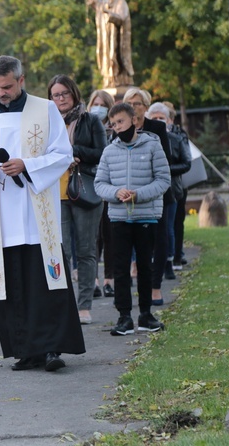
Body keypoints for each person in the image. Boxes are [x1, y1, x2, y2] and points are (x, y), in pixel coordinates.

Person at [0, 55, 85, 372]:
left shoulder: (44, 110)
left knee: (43, 282)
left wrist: (27, 165)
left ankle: (51, 349)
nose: (1, 93)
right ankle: (25, 349)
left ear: (21, 80)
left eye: (6, 86)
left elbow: (63, 155)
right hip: (2, 214)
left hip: (35, 215)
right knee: (13, 284)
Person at [94, 102, 170, 336]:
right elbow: (99, 184)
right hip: (118, 218)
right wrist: (116, 193)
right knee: (120, 268)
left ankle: (146, 315)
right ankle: (124, 316)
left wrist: (139, 194)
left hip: (146, 215)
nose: (117, 127)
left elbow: (163, 180)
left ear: (134, 121)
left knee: (145, 266)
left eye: (121, 122)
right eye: (113, 124)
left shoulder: (153, 146)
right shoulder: (109, 151)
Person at [49, 76, 106, 325]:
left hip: (85, 190)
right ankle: (65, 304)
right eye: (55, 95)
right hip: (54, 193)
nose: (60, 99)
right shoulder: (46, 123)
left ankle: (84, 305)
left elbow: (102, 154)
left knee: (85, 250)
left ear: (74, 94)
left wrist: (75, 153)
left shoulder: (90, 120)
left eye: (64, 94)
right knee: (60, 252)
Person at [123, 88, 173, 306]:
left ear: (146, 106)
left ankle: (155, 287)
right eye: (130, 104)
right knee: (133, 241)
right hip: (128, 195)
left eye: (139, 104)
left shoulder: (157, 128)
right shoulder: (119, 127)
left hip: (156, 193)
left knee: (159, 240)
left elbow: (165, 159)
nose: (134, 108)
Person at [148, 103, 191, 291]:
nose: (158, 121)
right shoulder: (145, 140)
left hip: (172, 189)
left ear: (169, 120)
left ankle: (170, 261)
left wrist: (165, 170)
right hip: (149, 191)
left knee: (169, 228)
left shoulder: (176, 138)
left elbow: (186, 162)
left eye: (161, 118)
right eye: (154, 118)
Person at [81, 0, 134, 89]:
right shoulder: (107, 1)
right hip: (107, 40)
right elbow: (99, 4)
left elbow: (122, 17)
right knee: (106, 57)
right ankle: (110, 80)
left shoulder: (121, 2)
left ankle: (119, 79)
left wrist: (109, 13)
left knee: (115, 57)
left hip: (117, 40)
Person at [87, 90, 115, 298]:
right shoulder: (86, 128)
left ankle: (109, 280)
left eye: (102, 104)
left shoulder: (115, 130)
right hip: (92, 188)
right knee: (93, 238)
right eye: (95, 103)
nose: (98, 108)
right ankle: (94, 280)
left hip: (112, 188)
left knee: (110, 237)